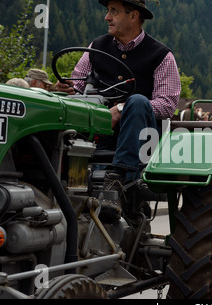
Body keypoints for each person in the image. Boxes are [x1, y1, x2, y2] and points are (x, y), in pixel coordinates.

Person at [55, 0, 180, 187]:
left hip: (143, 140)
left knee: (137, 101)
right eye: (108, 11)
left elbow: (167, 105)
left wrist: (122, 108)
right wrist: (65, 88)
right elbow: (78, 86)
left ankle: (120, 176)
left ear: (133, 16)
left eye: (114, 11)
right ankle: (56, 173)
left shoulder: (161, 55)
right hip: (98, 135)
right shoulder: (96, 46)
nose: (107, 17)